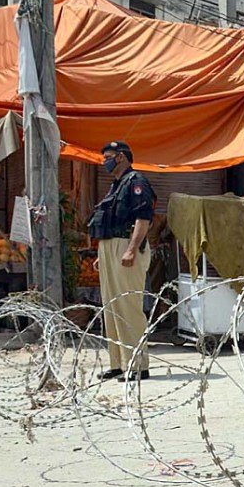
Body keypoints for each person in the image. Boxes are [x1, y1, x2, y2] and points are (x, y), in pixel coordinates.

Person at [87, 141, 156, 382]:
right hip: (110, 247)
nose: (105, 160)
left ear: (122, 157)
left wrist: (131, 250)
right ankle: (118, 363)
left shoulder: (136, 182)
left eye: (109, 156)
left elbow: (143, 218)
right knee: (111, 307)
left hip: (127, 246)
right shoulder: (116, 185)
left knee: (128, 306)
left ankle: (138, 365)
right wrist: (100, 255)